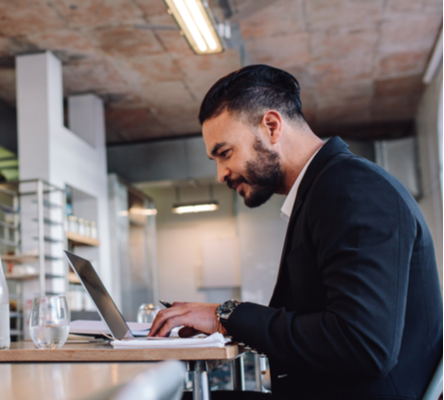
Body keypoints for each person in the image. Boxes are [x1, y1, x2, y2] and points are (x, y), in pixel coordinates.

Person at [148, 65, 443, 399]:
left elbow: (362, 344)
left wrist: (227, 316)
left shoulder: (352, 189)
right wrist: (225, 318)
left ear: (271, 126)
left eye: (225, 153)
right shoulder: (326, 189)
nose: (221, 174)